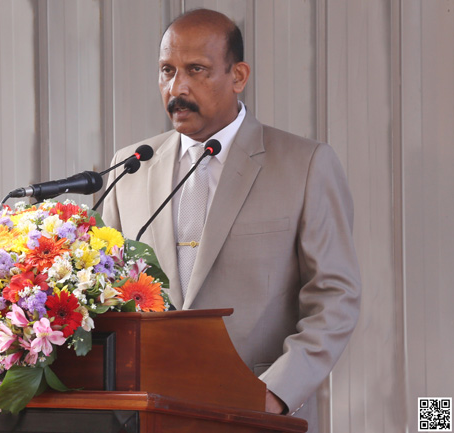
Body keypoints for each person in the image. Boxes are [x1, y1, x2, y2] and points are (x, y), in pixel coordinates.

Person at [102, 8, 361, 433]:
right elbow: (108, 292)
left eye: (196, 70)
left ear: (238, 76)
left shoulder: (305, 164)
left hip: (254, 413)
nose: (176, 87)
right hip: (146, 413)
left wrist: (275, 393)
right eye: (167, 71)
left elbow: (336, 296)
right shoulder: (131, 167)